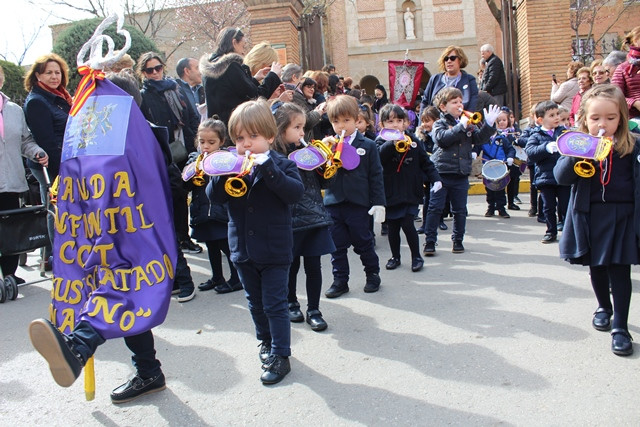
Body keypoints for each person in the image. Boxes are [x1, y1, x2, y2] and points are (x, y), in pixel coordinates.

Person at [28, 68, 176, 406]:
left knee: (118, 292)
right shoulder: (118, 140)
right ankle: (148, 371)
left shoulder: (140, 139)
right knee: (126, 297)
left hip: (135, 241)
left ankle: (78, 349)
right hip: (112, 237)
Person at [207, 99, 304, 384]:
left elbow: (294, 194)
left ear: (270, 137)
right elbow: (216, 198)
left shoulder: (283, 164)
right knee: (255, 303)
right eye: (239, 138)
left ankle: (281, 354)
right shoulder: (233, 165)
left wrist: (268, 170)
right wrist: (221, 171)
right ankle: (265, 341)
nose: (246, 144)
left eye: (253, 137)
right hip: (243, 249)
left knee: (275, 304)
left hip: (275, 249)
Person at [554, 84, 640, 356]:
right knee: (597, 267)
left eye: (611, 118)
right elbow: (561, 178)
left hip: (624, 214)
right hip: (591, 214)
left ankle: (620, 328)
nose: (603, 123)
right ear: (584, 119)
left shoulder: (634, 144)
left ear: (622, 118)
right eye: (595, 118)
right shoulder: (578, 142)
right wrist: (581, 151)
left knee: (620, 270)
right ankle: (604, 306)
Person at [138, 52, 203, 275]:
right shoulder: (143, 96)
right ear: (143, 73)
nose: (155, 73)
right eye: (149, 70)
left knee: (184, 194)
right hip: (161, 153)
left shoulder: (176, 88)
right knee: (170, 196)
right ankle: (173, 241)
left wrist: (195, 142)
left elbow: (192, 116)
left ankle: (184, 237)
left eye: (158, 68)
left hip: (184, 147)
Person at [273, 103, 335, 331]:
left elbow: (325, 183)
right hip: (289, 219)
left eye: (302, 127)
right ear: (280, 129)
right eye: (297, 127)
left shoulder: (308, 149)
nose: (302, 132)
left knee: (314, 266)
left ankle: (315, 309)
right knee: (291, 266)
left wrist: (325, 165)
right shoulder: (274, 157)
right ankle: (291, 303)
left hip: (313, 216)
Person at [422, 87, 500, 256]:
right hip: (441, 173)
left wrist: (489, 125)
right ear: (443, 107)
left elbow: (479, 138)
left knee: (460, 210)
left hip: (461, 173)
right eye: (454, 102)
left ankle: (458, 240)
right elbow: (442, 139)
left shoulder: (467, 123)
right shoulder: (439, 123)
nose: (459, 105)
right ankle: (430, 240)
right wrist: (461, 127)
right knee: (435, 208)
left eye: (460, 101)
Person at [322, 95, 386, 298]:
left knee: (363, 242)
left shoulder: (367, 145)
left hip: (359, 204)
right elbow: (319, 175)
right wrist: (322, 153)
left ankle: (372, 274)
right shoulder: (327, 145)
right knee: (336, 246)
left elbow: (376, 176)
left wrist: (379, 203)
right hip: (334, 203)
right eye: (336, 121)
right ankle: (340, 280)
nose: (341, 126)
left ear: (356, 119)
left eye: (346, 120)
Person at [376, 104, 441, 272]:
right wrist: (392, 143)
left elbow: (426, 163)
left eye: (399, 120)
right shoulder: (380, 141)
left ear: (405, 123)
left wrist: (436, 179)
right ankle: (395, 256)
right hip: (390, 192)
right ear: (382, 125)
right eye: (390, 121)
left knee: (407, 224)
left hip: (409, 190)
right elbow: (378, 158)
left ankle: (416, 257)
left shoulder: (413, 140)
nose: (396, 125)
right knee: (392, 227)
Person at [23, 53, 72, 271]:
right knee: (56, 210)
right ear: (37, 76)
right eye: (49, 73)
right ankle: (58, 260)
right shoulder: (37, 101)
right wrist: (60, 172)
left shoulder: (60, 97)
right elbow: (47, 143)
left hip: (67, 160)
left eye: (57, 72)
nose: (54, 76)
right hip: (51, 165)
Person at [0, 65, 49, 284]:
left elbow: (25, 141)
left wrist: (37, 151)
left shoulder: (13, 110)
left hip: (12, 181)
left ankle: (9, 274)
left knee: (10, 231)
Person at [186, 118, 241, 294]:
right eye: (202, 142)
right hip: (202, 211)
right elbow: (185, 183)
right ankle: (217, 276)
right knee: (211, 246)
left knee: (226, 245)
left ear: (222, 142)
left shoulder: (227, 160)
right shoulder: (195, 159)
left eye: (211, 142)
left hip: (221, 213)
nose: (206, 146)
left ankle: (236, 278)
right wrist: (195, 167)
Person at [201, 27, 282, 126]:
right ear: (234, 42)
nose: (243, 52)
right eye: (243, 46)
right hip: (235, 125)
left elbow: (233, 91)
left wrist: (255, 79)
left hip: (217, 127)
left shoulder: (211, 67)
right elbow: (255, 97)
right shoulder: (231, 66)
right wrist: (273, 75)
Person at [525, 100, 569, 243]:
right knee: (548, 207)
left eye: (557, 114)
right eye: (551, 115)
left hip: (563, 177)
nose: (556, 117)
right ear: (540, 119)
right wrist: (545, 147)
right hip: (545, 178)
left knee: (566, 206)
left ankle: (569, 232)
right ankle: (551, 231)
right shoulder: (535, 135)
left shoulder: (563, 132)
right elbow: (530, 152)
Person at [475, 109, 516, 218]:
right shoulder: (482, 138)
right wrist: (474, 153)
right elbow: (477, 147)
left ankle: (501, 209)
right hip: (488, 167)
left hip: (500, 166)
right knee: (489, 189)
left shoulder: (502, 138)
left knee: (500, 189)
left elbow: (510, 149)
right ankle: (491, 208)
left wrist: (511, 157)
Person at [420, 46, 478, 118]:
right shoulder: (435, 79)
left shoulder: (469, 80)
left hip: (460, 123)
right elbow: (425, 102)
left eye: (452, 58)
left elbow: (472, 105)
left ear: (460, 60)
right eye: (446, 59)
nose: (449, 61)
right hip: (435, 124)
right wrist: (422, 123)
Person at [611, 26, 640, 120]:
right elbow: (615, 95)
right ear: (634, 41)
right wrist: (634, 103)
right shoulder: (623, 68)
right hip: (633, 118)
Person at [291, 77, 326, 141]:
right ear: (301, 87)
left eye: (313, 87)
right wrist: (317, 113)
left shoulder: (312, 102)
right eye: (309, 87)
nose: (312, 89)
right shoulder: (299, 100)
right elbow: (306, 121)